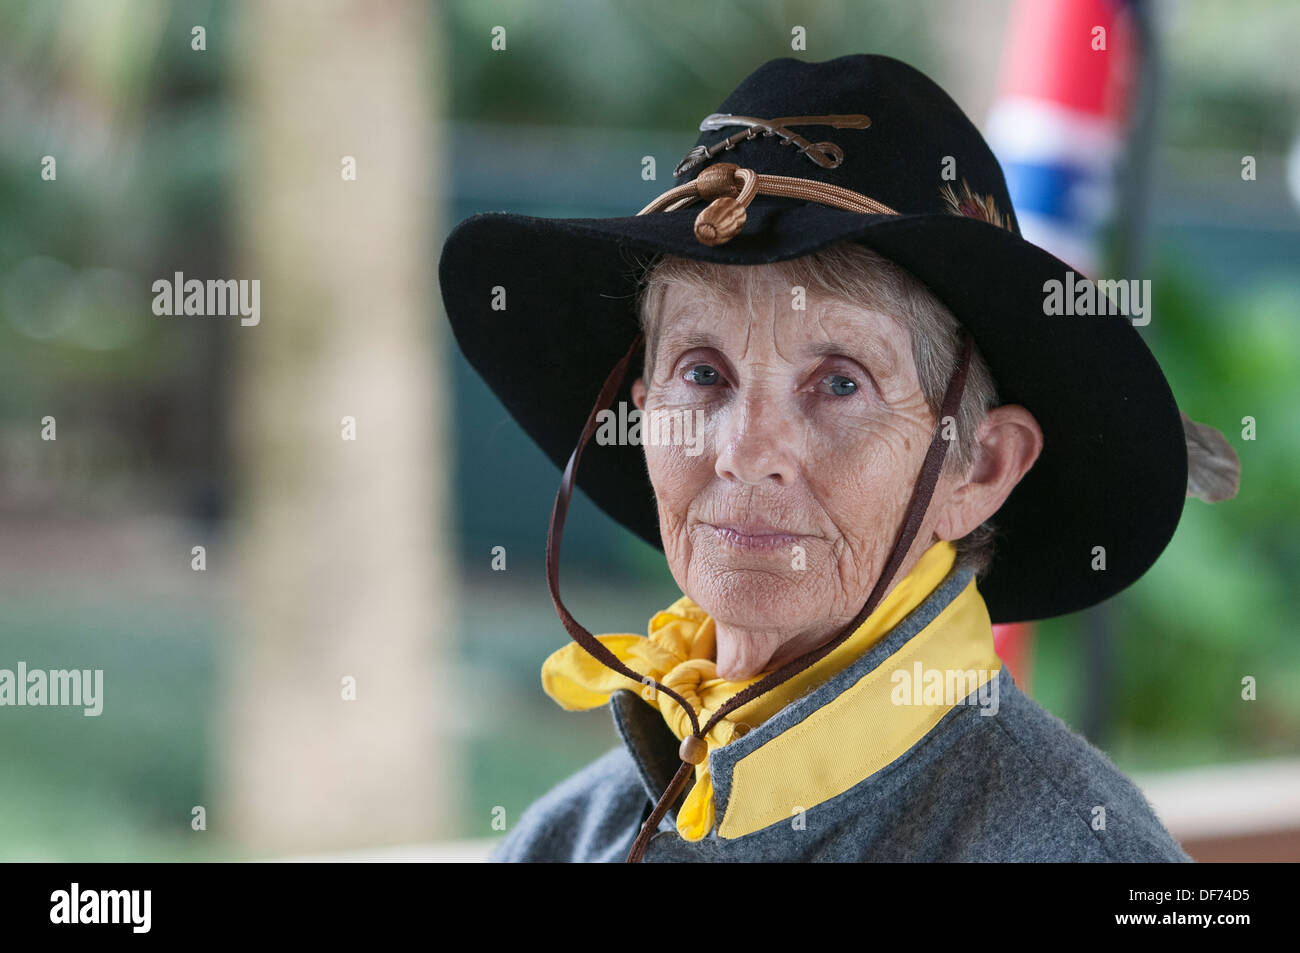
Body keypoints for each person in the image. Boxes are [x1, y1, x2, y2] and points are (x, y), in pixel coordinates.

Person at [438, 54, 1239, 862]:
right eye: (703, 372)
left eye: (840, 383)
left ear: (982, 466)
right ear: (643, 414)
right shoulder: (567, 839)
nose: (746, 454)